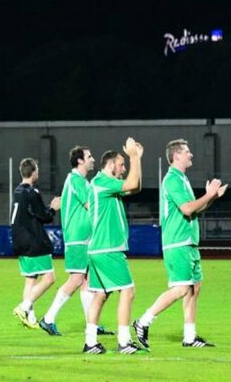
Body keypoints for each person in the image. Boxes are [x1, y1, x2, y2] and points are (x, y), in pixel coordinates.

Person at [133, 139, 227, 349]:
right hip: (177, 242)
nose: (191, 154)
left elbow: (195, 208)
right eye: (187, 151)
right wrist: (208, 194)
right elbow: (187, 209)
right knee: (182, 288)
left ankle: (189, 337)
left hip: (189, 242)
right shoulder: (172, 180)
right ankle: (143, 321)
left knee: (194, 288)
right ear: (176, 156)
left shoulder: (182, 179)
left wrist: (212, 198)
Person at [39, 146, 111, 336]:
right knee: (77, 279)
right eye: (89, 156)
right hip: (77, 238)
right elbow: (91, 206)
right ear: (79, 161)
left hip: (85, 238)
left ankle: (91, 324)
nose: (93, 159)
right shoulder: (75, 180)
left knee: (87, 281)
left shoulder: (82, 181)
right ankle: (48, 318)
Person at [83, 138, 144, 355]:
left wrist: (137, 159)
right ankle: (124, 341)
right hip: (107, 249)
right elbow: (131, 184)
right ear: (110, 166)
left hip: (98, 249)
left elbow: (136, 187)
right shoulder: (103, 182)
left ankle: (90, 342)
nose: (124, 168)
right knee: (128, 291)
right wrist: (133, 156)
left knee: (100, 295)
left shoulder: (103, 184)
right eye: (121, 165)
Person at [11, 158, 61, 329]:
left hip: (20, 241)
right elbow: (44, 216)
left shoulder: (17, 191)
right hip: (34, 242)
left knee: (30, 280)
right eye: (37, 171)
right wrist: (53, 207)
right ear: (33, 173)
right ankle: (23, 307)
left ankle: (30, 318)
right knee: (49, 278)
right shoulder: (32, 192)